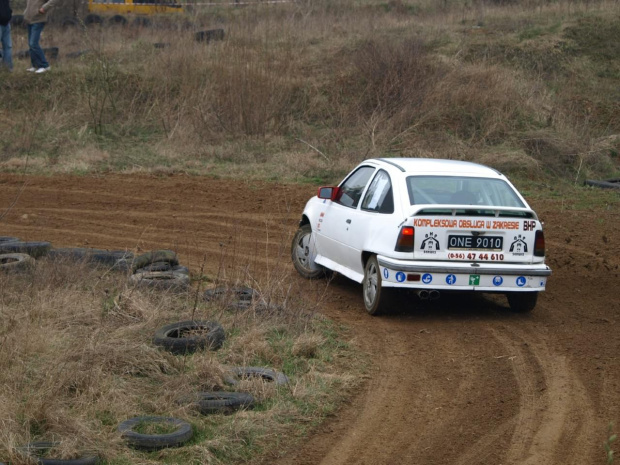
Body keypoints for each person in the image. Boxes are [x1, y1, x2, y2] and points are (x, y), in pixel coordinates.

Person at [24, 0, 58, 73]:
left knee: (33, 43)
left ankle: (45, 65)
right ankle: (35, 65)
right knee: (30, 44)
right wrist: (26, 12)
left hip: (38, 20)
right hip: (29, 20)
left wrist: (44, 8)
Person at [0, 0, 12, 71]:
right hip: (4, 21)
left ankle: (7, 68)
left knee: (8, 47)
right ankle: (7, 68)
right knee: (8, 47)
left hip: (6, 22)